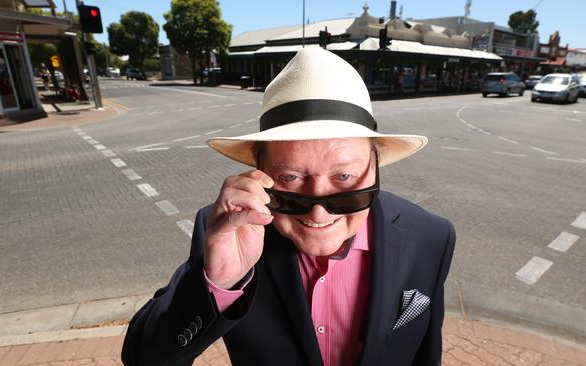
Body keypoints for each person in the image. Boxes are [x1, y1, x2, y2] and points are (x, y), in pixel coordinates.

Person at [122, 48, 455, 366]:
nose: (318, 213)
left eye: (344, 176)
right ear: (258, 171)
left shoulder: (429, 237)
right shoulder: (228, 231)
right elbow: (144, 359)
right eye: (291, 178)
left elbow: (426, 355)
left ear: (375, 163)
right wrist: (220, 282)